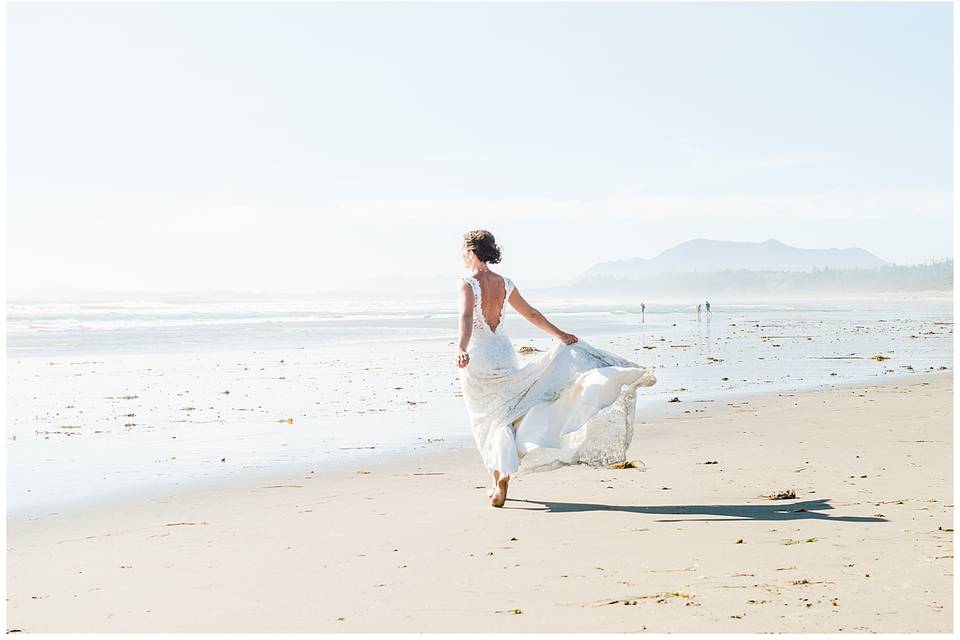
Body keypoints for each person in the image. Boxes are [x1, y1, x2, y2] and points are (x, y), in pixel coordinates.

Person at [456, 229, 656, 508]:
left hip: (479, 356)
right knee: (510, 416)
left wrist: (461, 348)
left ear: (472, 251)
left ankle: (496, 478)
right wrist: (560, 335)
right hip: (502, 352)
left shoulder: (467, 283)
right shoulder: (504, 283)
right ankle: (503, 474)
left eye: (463, 251)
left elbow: (467, 317)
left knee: (487, 420)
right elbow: (531, 314)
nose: (462, 256)